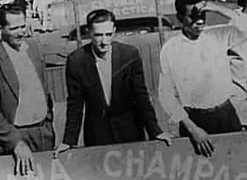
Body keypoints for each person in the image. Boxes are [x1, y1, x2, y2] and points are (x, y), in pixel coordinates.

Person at [55, 9, 172, 157]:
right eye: (98, 35)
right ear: (89, 32)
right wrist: (68, 141)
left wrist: (156, 131)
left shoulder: (130, 55)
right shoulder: (76, 61)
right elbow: (75, 104)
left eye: (108, 34)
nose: (104, 41)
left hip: (130, 133)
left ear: (114, 31)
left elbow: (141, 97)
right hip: (97, 137)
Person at [158, 0, 247, 157]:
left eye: (203, 15)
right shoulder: (171, 49)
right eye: (192, 17)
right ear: (180, 18)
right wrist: (193, 129)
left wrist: (215, 7)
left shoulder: (218, 35)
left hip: (226, 114)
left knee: (238, 162)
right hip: (194, 120)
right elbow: (166, 95)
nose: (199, 21)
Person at [0, 3, 55, 176]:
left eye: (23, 26)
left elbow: (43, 90)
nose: (21, 32)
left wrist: (48, 122)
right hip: (13, 139)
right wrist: (15, 142)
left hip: (43, 133)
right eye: (14, 28)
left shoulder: (33, 48)